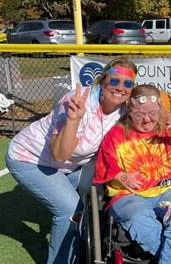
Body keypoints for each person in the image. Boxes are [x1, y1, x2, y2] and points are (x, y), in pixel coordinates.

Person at [5, 56, 137, 263]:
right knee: (69, 209)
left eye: (127, 83)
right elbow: (59, 154)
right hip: (30, 159)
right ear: (103, 82)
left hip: (70, 165)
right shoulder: (78, 103)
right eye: (114, 81)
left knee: (103, 186)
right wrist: (73, 120)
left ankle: (92, 244)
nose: (120, 87)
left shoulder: (123, 110)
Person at [93, 85, 171, 264]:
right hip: (128, 195)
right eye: (140, 115)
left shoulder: (166, 127)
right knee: (141, 220)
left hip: (167, 188)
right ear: (130, 110)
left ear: (159, 108)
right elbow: (104, 167)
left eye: (153, 113)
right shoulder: (115, 135)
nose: (147, 120)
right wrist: (123, 177)